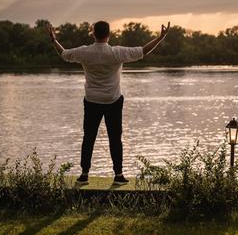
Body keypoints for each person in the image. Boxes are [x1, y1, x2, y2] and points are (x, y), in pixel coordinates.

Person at [46, 20, 170, 185]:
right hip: (113, 101)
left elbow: (64, 54)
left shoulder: (85, 52)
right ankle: (118, 175)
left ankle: (84, 175)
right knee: (115, 138)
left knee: (88, 137)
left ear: (93, 34)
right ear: (109, 35)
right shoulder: (116, 52)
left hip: (91, 101)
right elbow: (143, 51)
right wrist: (160, 38)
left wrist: (54, 40)